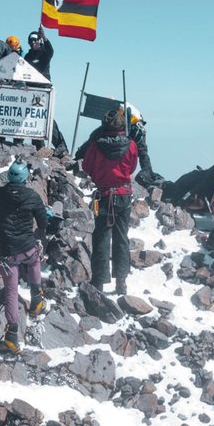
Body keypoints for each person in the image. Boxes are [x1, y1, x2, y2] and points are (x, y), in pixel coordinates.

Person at [0, 160, 50, 354]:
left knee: (11, 291)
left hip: (8, 252)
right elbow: (43, 223)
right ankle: (37, 300)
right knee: (34, 261)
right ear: (25, 178)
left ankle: (12, 337)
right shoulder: (33, 196)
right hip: (28, 248)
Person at [80, 106, 141, 294]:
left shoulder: (96, 145)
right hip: (123, 195)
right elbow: (131, 168)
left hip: (104, 194)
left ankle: (99, 281)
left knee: (101, 237)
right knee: (121, 238)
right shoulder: (131, 145)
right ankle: (121, 282)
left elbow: (87, 166)